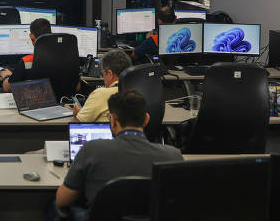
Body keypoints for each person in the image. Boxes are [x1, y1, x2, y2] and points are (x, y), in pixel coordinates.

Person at [50, 90, 183, 219]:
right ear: (146, 119)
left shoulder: (91, 150)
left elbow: (62, 200)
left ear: (112, 120)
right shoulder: (173, 157)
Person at [73, 49, 131, 122]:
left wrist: (77, 116)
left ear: (110, 74)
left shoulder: (100, 94)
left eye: (103, 75)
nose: (103, 79)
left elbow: (77, 125)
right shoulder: (137, 91)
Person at [0, 18, 52, 93]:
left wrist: (7, 76)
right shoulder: (66, 59)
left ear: (32, 37)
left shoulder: (27, 61)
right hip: (61, 101)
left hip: (34, 101)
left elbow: (8, 88)